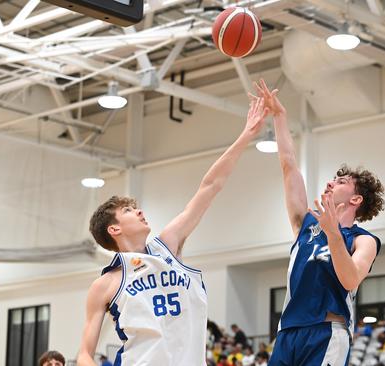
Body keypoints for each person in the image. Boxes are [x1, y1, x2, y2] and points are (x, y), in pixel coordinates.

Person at [76, 94, 270, 366]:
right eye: (129, 210)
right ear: (114, 228)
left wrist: (247, 134)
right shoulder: (105, 284)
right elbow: (84, 354)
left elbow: (210, 186)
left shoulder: (168, 245)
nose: (140, 211)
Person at [254, 79, 385, 365]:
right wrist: (279, 116)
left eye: (340, 182)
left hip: (327, 333)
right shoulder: (305, 224)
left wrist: (333, 234)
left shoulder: (364, 240)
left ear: (356, 199)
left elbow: (350, 279)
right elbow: (288, 165)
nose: (330, 182)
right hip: (288, 332)